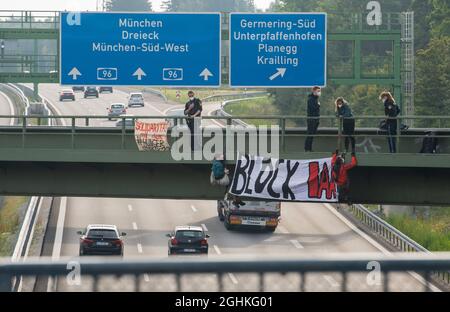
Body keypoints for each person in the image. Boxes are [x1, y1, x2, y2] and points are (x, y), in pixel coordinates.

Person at [304, 86, 321, 152]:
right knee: (310, 134)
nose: (319, 92)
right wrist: (318, 105)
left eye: (319, 91)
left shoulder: (315, 99)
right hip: (311, 120)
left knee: (312, 134)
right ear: (314, 91)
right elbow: (313, 108)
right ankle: (307, 148)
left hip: (315, 119)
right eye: (318, 91)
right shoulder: (311, 99)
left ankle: (309, 148)